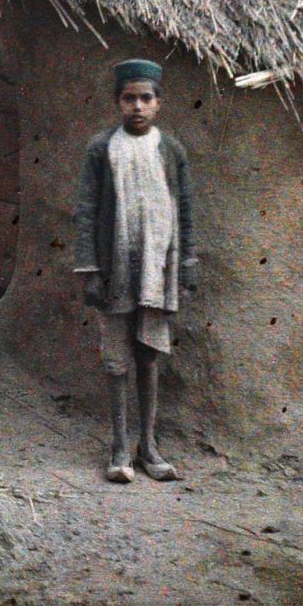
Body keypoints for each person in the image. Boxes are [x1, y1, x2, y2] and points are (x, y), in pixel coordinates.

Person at [71, 58, 197, 483]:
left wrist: (187, 262)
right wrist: (90, 269)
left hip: (156, 269)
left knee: (149, 352)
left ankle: (149, 446)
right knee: (117, 358)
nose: (137, 107)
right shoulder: (102, 148)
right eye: (129, 99)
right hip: (115, 268)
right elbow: (87, 211)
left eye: (146, 98)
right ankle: (120, 446)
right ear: (118, 102)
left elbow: (184, 210)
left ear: (158, 103)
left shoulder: (171, 150)